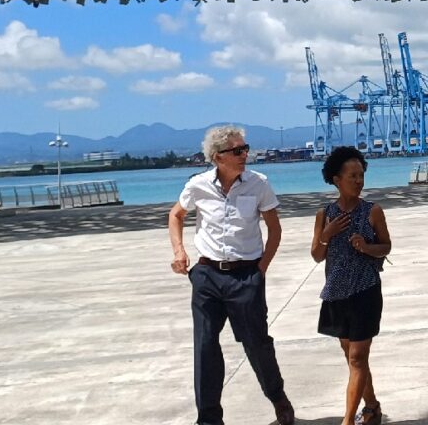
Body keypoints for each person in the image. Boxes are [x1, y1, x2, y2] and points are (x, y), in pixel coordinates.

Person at [167, 125, 295, 425]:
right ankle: (209, 419)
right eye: (237, 151)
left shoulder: (258, 183)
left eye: (245, 149)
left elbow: (274, 230)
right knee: (205, 345)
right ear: (217, 156)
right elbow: (176, 215)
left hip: (246, 276)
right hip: (207, 276)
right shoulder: (197, 185)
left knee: (256, 342)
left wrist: (260, 270)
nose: (244, 155)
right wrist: (179, 251)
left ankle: (278, 398)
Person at [311, 146, 392, 425]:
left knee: (357, 356)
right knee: (352, 356)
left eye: (361, 175)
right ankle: (371, 406)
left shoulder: (373, 211)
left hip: (365, 291)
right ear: (337, 180)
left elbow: (386, 247)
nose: (358, 181)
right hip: (336, 292)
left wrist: (367, 247)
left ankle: (348, 420)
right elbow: (316, 255)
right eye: (352, 176)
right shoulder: (325, 214)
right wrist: (327, 234)